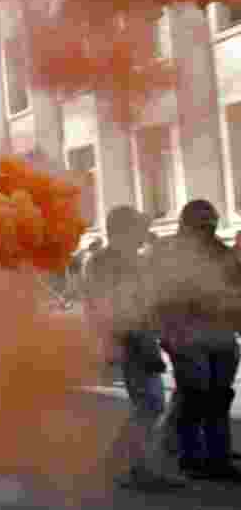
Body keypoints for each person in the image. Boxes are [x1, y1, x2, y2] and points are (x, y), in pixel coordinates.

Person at [86, 206, 184, 490]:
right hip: (130, 339)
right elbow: (117, 307)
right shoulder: (111, 262)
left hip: (134, 337)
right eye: (139, 228)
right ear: (124, 230)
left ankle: (127, 463)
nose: (144, 233)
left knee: (148, 403)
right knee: (150, 403)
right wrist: (138, 341)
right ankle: (134, 467)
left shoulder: (119, 260)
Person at [155, 200, 241, 481]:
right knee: (195, 397)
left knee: (219, 398)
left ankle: (217, 457)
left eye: (209, 223)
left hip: (220, 335)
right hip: (187, 336)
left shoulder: (222, 253)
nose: (206, 228)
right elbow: (158, 298)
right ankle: (191, 457)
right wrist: (167, 334)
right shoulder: (170, 255)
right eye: (201, 223)